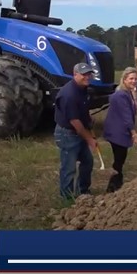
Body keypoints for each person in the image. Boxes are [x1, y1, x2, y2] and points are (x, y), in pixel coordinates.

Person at [54, 63, 98, 200]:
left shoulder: (83, 88)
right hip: (67, 134)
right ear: (75, 74)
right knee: (69, 168)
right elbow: (75, 123)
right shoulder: (69, 95)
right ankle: (66, 198)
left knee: (87, 162)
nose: (87, 77)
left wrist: (89, 121)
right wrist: (90, 139)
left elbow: (83, 111)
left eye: (88, 74)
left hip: (79, 133)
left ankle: (83, 191)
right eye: (83, 74)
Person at [103, 67, 137, 192]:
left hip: (120, 130)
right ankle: (113, 186)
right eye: (131, 78)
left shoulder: (128, 93)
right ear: (124, 79)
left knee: (120, 159)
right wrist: (134, 132)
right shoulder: (120, 95)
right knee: (119, 159)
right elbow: (126, 116)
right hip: (117, 131)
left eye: (135, 79)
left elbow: (133, 112)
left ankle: (117, 183)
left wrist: (135, 99)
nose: (133, 81)